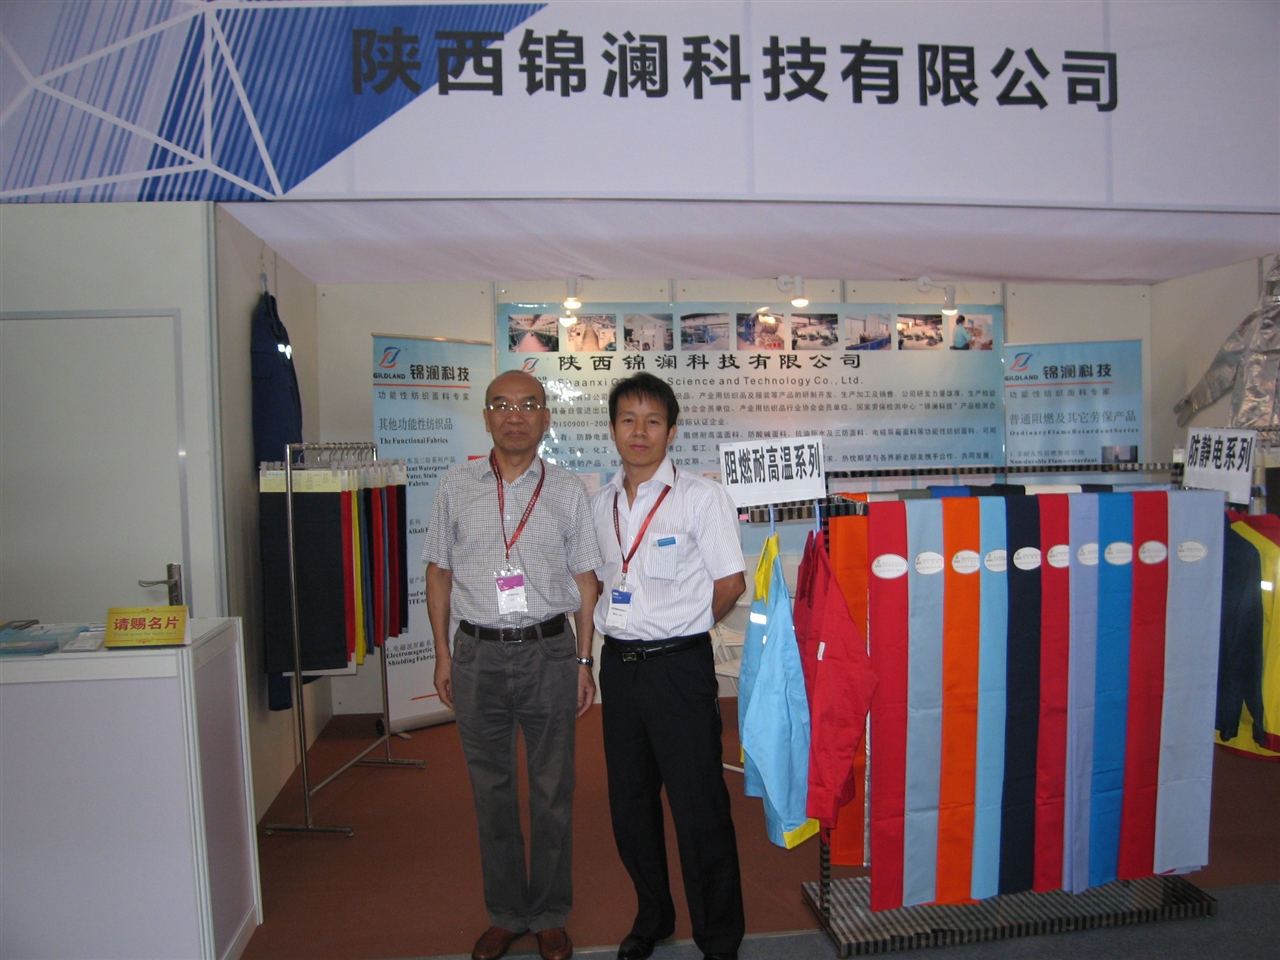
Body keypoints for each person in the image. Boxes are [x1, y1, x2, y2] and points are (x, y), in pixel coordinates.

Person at [423, 370, 602, 960]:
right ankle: (505, 913)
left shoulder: (568, 490)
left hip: (549, 652)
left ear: (545, 418)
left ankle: (548, 913)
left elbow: (586, 582)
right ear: (486, 417)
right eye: (501, 405)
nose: (514, 415)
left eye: (528, 405)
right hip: (476, 654)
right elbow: (438, 573)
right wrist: (443, 654)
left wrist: (583, 660)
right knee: (490, 791)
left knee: (552, 790)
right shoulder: (456, 485)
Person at [590, 373, 748, 960]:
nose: (640, 431)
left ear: (672, 431)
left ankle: (718, 936)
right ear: (613, 429)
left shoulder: (701, 497)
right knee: (630, 805)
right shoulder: (599, 504)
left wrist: (681, 628)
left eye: (652, 421)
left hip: (679, 670)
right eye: (628, 419)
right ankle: (653, 916)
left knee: (698, 805)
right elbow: (599, 581)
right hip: (619, 671)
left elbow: (730, 583)